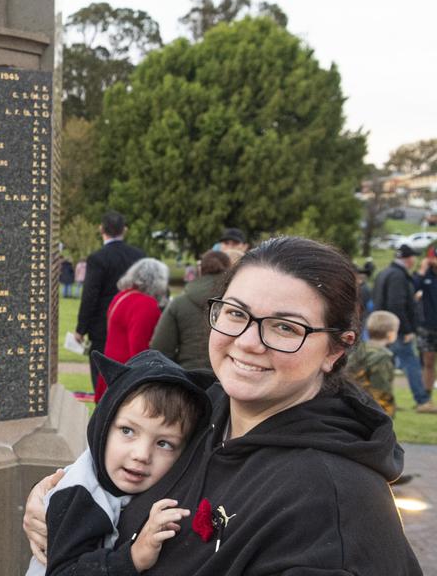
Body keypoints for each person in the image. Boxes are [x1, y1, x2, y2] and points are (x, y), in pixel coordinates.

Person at [24, 236, 422, 574]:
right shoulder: (195, 411)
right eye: (236, 313)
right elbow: (101, 471)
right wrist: (52, 503)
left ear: (336, 349)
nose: (248, 341)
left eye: (285, 327)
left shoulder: (335, 508)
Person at [27, 350, 209, 576]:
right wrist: (133, 557)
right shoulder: (81, 494)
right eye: (127, 431)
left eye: (163, 443)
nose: (142, 454)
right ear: (104, 425)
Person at [77, 212, 145, 393]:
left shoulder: (97, 258)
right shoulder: (138, 256)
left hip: (102, 328)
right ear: (125, 230)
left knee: (102, 381)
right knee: (131, 380)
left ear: (101, 229)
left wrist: (80, 329)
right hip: (134, 324)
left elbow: (90, 296)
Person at [96, 258, 168, 401]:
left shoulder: (123, 295)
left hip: (112, 368)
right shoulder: (145, 304)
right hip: (127, 376)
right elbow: (139, 349)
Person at [374, 244, 433, 412]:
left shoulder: (385, 273)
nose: (414, 260)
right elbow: (396, 305)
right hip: (396, 330)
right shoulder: (398, 276)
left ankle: (384, 401)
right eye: (413, 257)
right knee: (411, 364)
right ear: (408, 259)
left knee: (386, 366)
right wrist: (406, 330)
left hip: (382, 329)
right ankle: (422, 401)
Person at [151, 251, 231, 371]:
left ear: (200, 270)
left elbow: (160, 347)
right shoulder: (237, 304)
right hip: (227, 376)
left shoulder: (179, 303)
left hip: (188, 376)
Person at [349, 311, 399, 416]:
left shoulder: (358, 349)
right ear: (390, 335)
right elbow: (381, 386)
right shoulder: (383, 357)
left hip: (352, 401)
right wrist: (387, 412)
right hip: (372, 408)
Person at [415, 245, 437, 412]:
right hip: (427, 326)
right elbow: (413, 288)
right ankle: (426, 398)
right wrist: (422, 270)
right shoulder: (426, 275)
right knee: (428, 362)